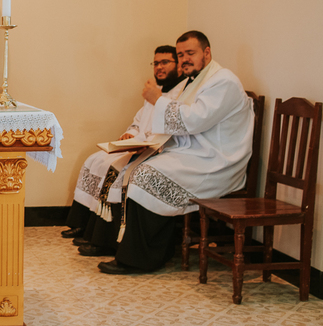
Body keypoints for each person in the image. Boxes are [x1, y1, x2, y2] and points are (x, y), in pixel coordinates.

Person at [96, 30, 254, 275]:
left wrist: (157, 99)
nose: (185, 60)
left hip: (216, 161)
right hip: (194, 154)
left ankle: (142, 259)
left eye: (190, 53)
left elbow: (194, 120)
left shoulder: (223, 81)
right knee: (138, 167)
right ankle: (141, 250)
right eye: (181, 55)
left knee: (146, 174)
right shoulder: (197, 80)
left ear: (207, 52)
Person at [63, 46, 181, 255]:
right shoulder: (153, 92)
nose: (159, 67)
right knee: (95, 160)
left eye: (165, 62)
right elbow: (138, 122)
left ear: (178, 65)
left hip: (154, 149)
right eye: (156, 63)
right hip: (138, 143)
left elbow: (173, 130)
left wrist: (144, 143)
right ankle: (84, 224)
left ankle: (104, 239)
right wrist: (130, 134)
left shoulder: (178, 95)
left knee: (117, 172)